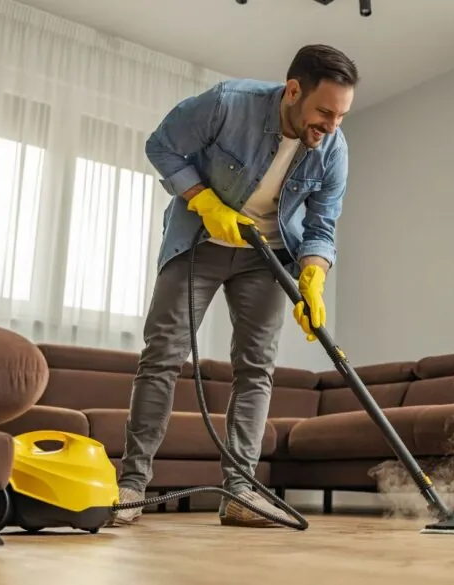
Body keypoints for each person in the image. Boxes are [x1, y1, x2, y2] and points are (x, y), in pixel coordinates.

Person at [108, 44, 357, 527]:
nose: (331, 125)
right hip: (200, 240)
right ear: (293, 90)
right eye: (325, 111)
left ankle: (240, 492)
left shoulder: (333, 149)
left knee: (257, 367)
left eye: (342, 116)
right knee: (162, 354)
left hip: (267, 256)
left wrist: (313, 277)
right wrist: (204, 201)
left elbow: (323, 224)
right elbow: (161, 144)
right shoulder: (228, 103)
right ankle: (133, 484)